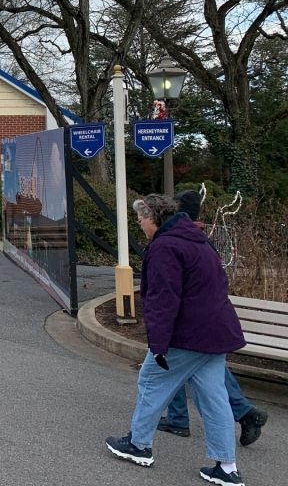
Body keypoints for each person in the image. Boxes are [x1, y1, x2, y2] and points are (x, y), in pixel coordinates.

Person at [105, 194, 246, 486]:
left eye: (141, 219)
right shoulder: (198, 241)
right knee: (214, 397)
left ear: (154, 218)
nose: (140, 224)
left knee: (151, 382)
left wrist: (158, 345)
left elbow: (162, 300)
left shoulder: (165, 247)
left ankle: (139, 445)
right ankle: (227, 467)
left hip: (187, 335)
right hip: (216, 332)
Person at [155, 191, 268, 446]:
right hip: (211, 319)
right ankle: (241, 413)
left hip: (190, 320)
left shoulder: (179, 241)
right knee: (203, 367)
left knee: (170, 362)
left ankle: (177, 421)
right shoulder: (204, 241)